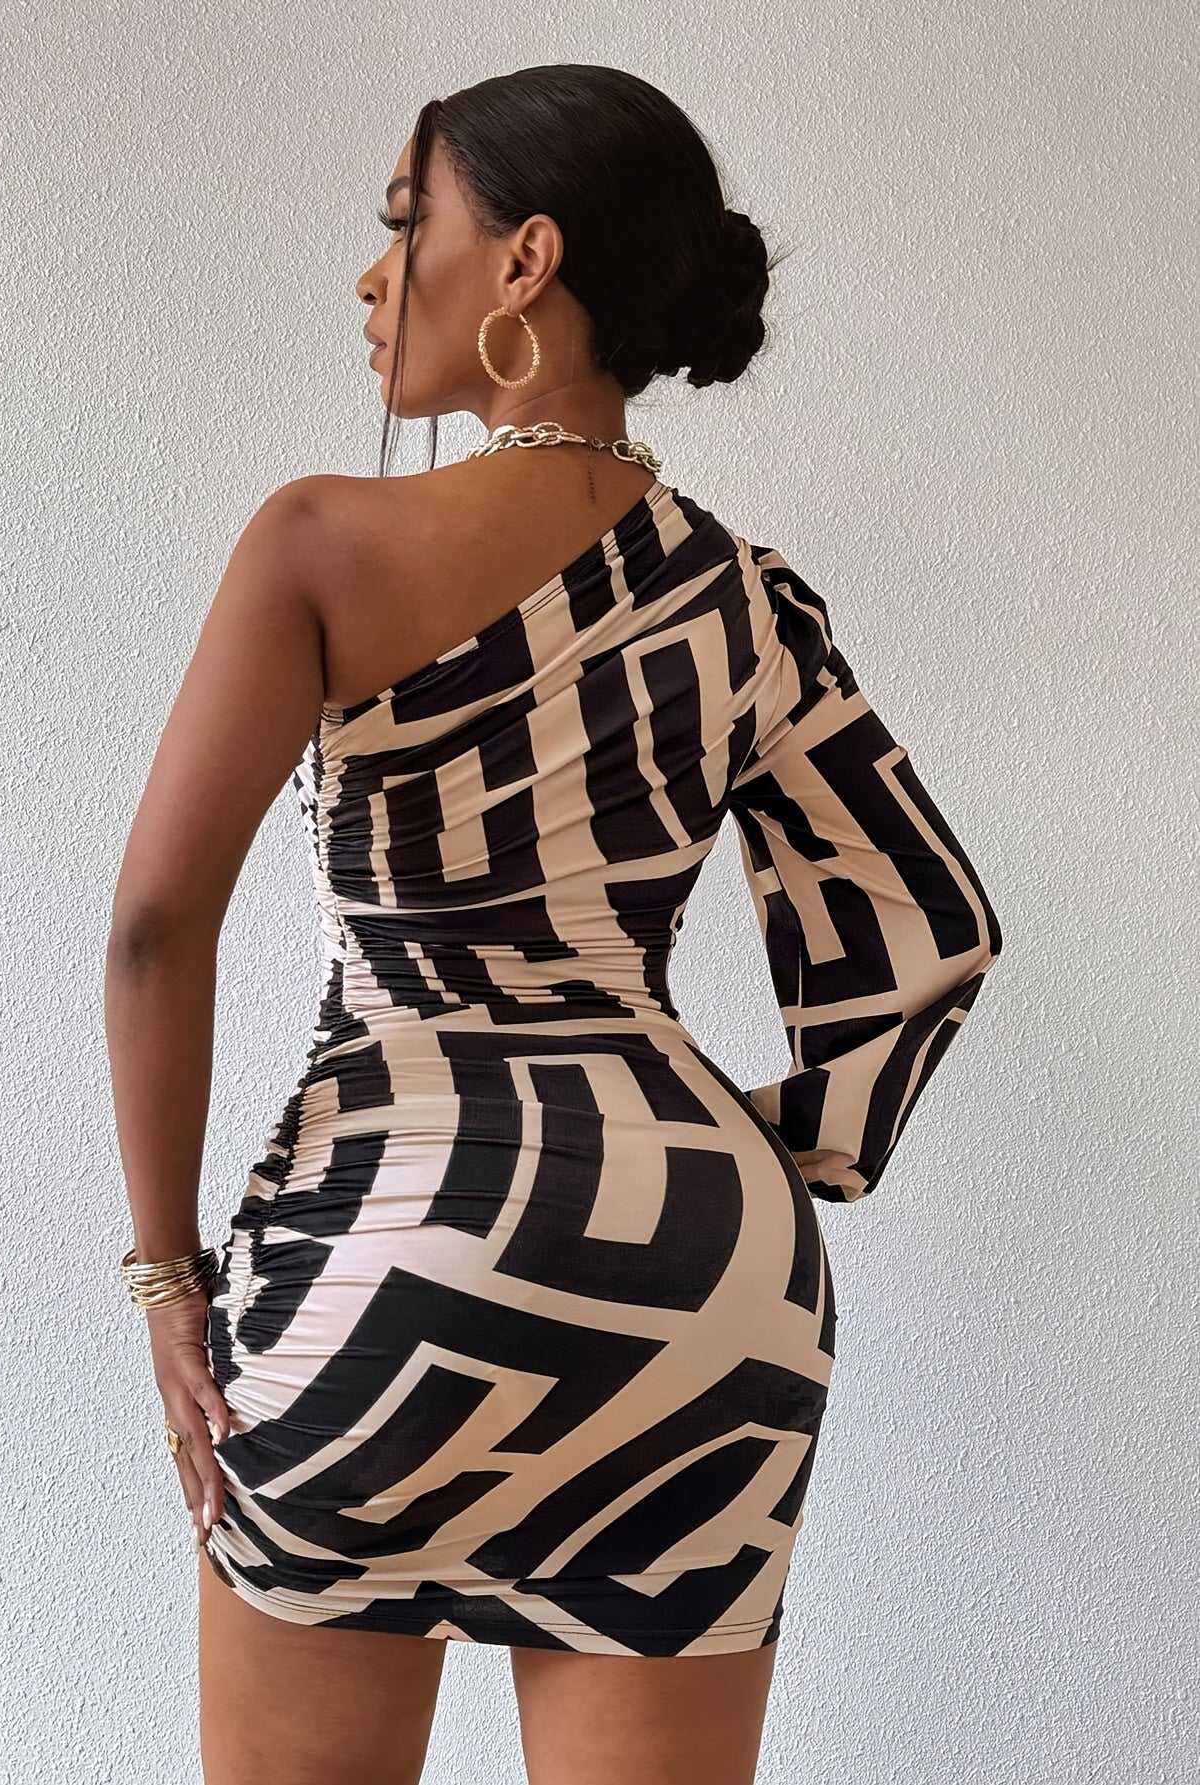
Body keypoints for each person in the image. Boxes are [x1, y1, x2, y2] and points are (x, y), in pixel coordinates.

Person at [105, 65, 1004, 1785]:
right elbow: (929, 921)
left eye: (405, 223)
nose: (373, 274)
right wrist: (785, 1147)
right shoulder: (746, 599)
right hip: (697, 1283)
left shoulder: (322, 540)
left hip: (386, 1243)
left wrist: (166, 1278)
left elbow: (156, 926)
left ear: (525, 261)